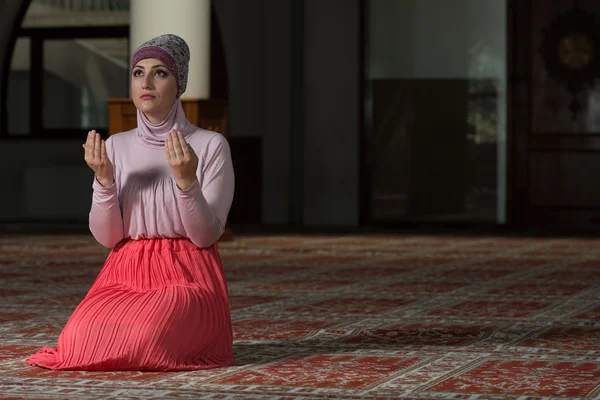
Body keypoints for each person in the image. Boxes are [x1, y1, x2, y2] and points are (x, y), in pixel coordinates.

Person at [25, 34, 235, 371]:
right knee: (79, 336)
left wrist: (186, 182)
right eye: (138, 72)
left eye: (160, 73)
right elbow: (108, 238)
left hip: (187, 275)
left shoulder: (210, 145)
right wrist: (104, 181)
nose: (146, 82)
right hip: (124, 272)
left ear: (178, 83)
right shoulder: (116, 146)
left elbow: (205, 236)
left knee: (147, 334)